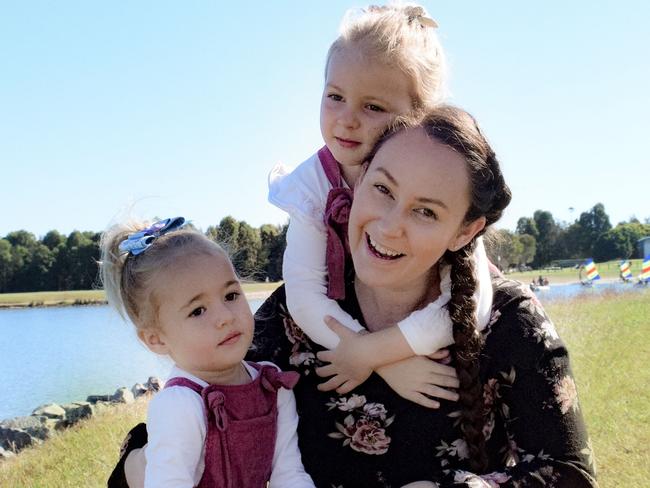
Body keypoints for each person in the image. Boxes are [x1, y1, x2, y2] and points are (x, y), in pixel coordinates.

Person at [250, 106, 598, 486]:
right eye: (382, 189)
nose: (389, 226)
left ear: (465, 232)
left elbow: (570, 474)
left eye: (426, 212)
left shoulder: (509, 319)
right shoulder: (292, 315)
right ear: (360, 178)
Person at [268, 3, 494, 398]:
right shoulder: (311, 185)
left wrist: (374, 352)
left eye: (373, 106)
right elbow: (304, 297)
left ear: (420, 117)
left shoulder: (443, 182)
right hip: (355, 321)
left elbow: (470, 303)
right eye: (335, 96)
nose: (347, 119)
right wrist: (382, 361)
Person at [100, 218, 314, 487]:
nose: (225, 317)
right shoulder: (180, 405)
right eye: (197, 311)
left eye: (231, 296)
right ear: (156, 339)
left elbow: (288, 473)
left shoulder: (273, 386)